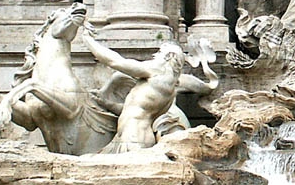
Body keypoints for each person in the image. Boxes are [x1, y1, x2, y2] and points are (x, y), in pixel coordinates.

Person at [82, 28, 218, 152]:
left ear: (169, 56)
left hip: (133, 138)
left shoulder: (158, 71)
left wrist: (88, 41)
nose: (154, 56)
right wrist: (107, 104)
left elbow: (116, 62)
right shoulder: (171, 84)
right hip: (134, 136)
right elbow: (136, 110)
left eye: (159, 52)